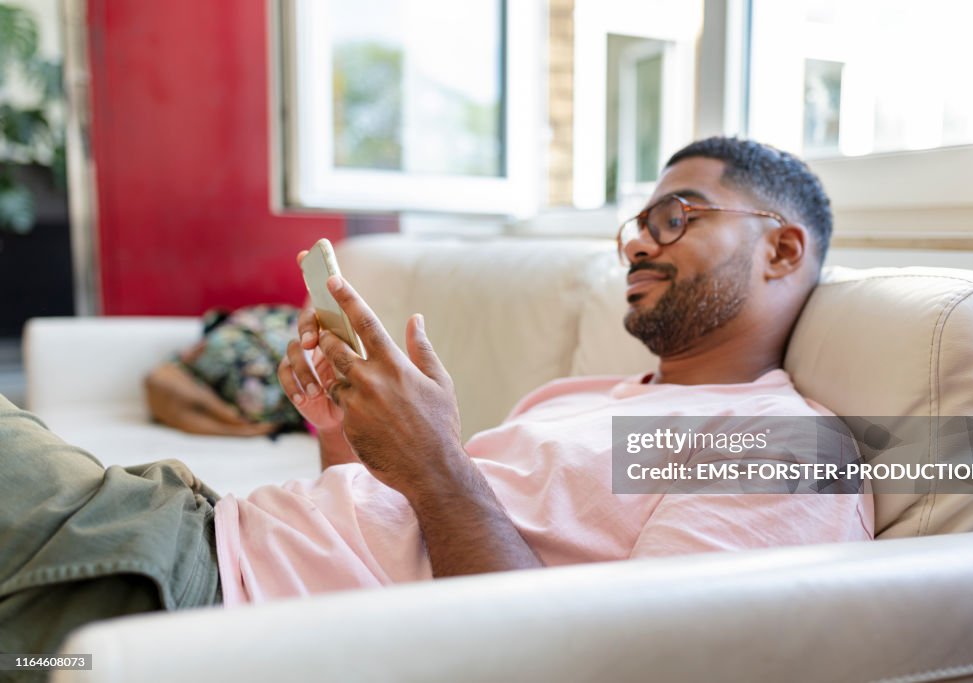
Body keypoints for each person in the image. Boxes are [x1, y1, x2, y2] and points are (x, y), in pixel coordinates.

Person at [0, 137, 872, 660]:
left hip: (198, 595)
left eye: (677, 216)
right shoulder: (584, 396)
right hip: (204, 534)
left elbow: (603, 662)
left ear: (784, 250)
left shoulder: (782, 445)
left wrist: (432, 458)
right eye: (636, 225)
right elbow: (402, 548)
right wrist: (347, 438)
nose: (640, 243)